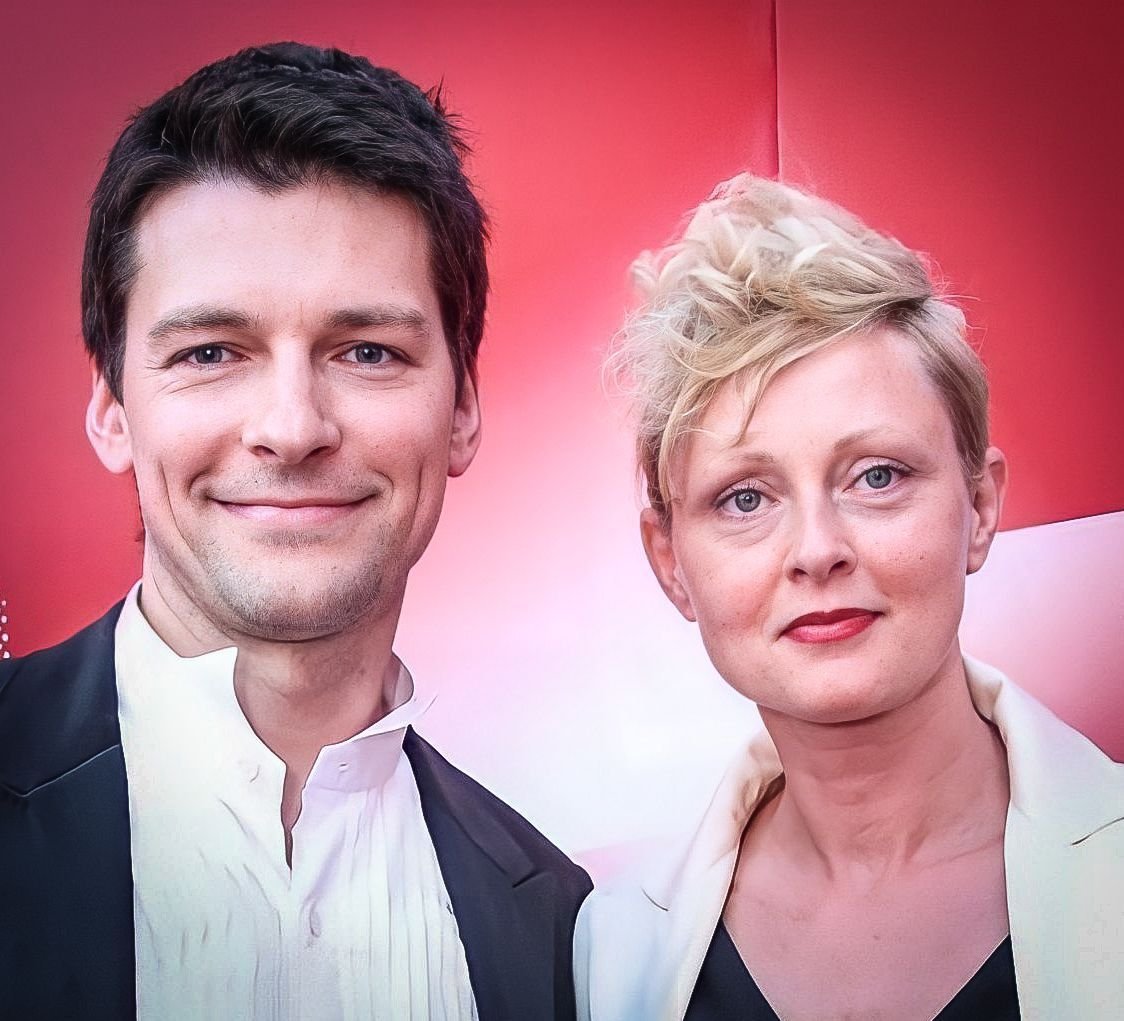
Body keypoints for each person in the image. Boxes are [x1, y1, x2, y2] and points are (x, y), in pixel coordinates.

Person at [0, 42, 590, 1021]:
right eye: (210, 351)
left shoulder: (564, 932)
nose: (291, 426)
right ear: (110, 408)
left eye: (367, 351)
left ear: (462, 411)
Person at [575, 175, 1124, 1019]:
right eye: (746, 498)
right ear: (670, 561)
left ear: (980, 508)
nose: (818, 549)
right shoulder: (611, 948)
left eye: (877, 476)